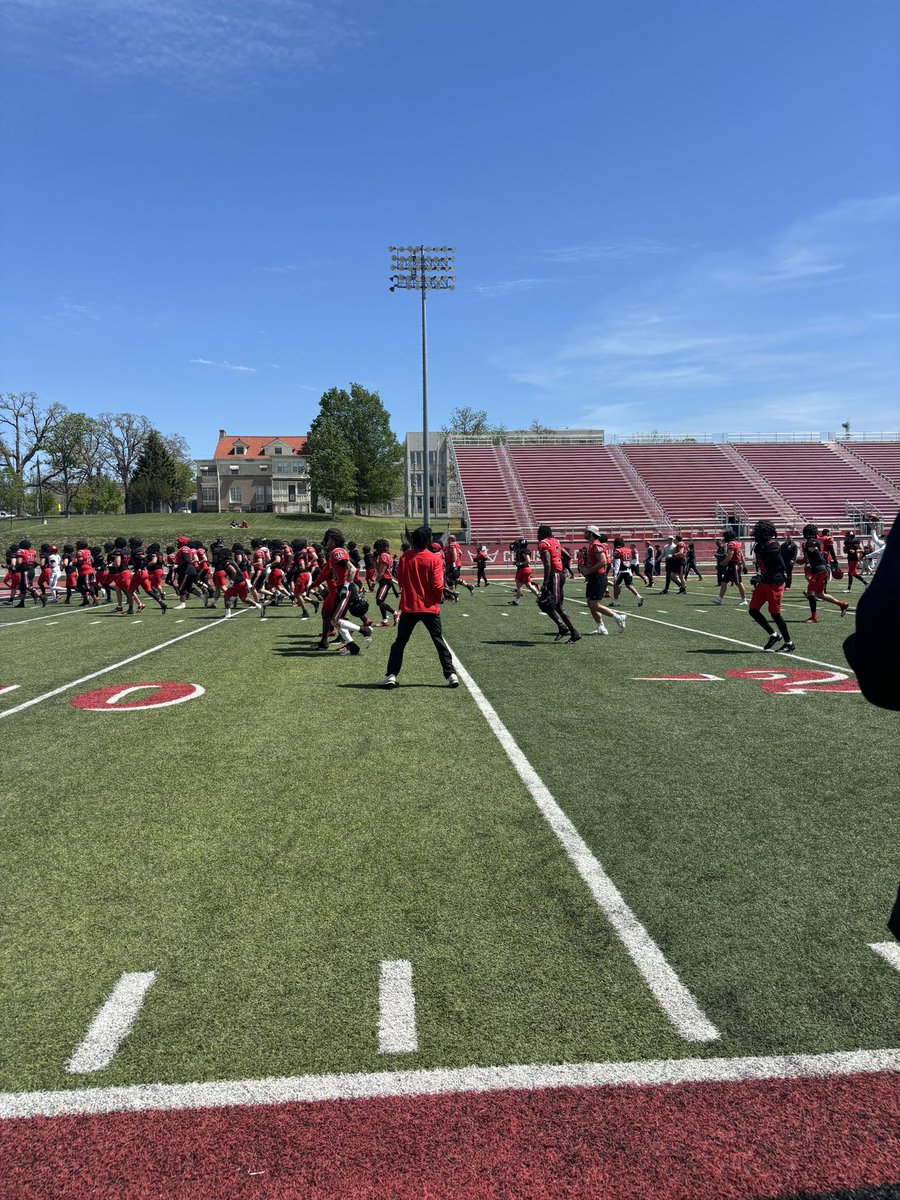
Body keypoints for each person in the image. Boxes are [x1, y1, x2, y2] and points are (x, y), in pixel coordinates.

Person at [380, 526, 458, 688]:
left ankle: (391, 675)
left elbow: (400, 581)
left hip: (409, 607)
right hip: (429, 607)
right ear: (428, 540)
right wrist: (438, 599)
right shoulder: (434, 558)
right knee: (438, 640)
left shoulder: (405, 558)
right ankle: (450, 674)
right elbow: (437, 584)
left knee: (400, 642)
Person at [746, 520, 794, 653]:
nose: (755, 534)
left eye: (757, 532)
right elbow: (761, 565)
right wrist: (758, 576)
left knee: (775, 614)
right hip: (764, 582)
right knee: (753, 610)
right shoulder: (760, 546)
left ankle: (789, 643)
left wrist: (761, 576)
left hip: (774, 582)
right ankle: (774, 635)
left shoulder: (772, 546)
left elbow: (780, 567)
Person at [536, 524, 581, 642]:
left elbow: (547, 563)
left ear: (542, 533)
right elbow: (566, 555)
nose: (537, 535)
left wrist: (545, 582)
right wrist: (563, 566)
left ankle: (574, 632)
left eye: (538, 533)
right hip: (557, 574)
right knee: (544, 603)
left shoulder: (543, 543)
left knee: (557, 606)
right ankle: (562, 626)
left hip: (554, 575)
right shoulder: (555, 541)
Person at [798, 523, 849, 623]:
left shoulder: (810, 542)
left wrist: (818, 562)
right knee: (820, 594)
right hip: (821, 569)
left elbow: (816, 553)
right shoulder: (818, 541)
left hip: (818, 569)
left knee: (810, 593)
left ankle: (814, 617)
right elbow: (814, 555)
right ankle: (842, 604)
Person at [711, 529, 748, 606]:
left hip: (734, 565)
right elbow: (741, 556)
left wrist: (722, 563)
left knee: (739, 583)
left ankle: (744, 599)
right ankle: (719, 599)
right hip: (734, 565)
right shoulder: (737, 543)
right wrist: (744, 566)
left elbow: (730, 556)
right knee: (724, 582)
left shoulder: (731, 544)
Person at [510, 539, 540, 606]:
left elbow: (528, 561)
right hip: (522, 569)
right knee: (529, 586)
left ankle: (516, 601)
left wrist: (520, 563)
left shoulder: (524, 551)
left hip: (524, 570)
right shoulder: (520, 551)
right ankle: (540, 597)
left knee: (519, 586)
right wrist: (516, 562)